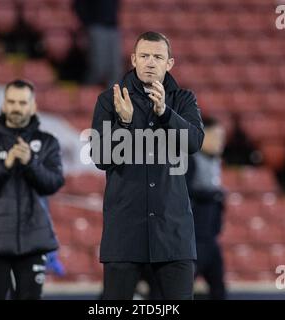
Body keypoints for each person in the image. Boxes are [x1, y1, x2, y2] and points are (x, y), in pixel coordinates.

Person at [90, 31, 205, 300]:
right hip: (124, 235)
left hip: (173, 235)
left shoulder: (183, 100)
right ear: (133, 60)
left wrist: (165, 113)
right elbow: (101, 158)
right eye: (144, 56)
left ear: (169, 63)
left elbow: (194, 142)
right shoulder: (109, 101)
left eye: (157, 57)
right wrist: (125, 124)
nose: (150, 62)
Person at [0, 79, 65, 300]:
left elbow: (53, 183)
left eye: (22, 102)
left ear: (33, 106)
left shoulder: (48, 142)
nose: (16, 107)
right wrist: (5, 165)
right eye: (11, 102)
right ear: (3, 105)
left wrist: (30, 162)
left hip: (34, 244)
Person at [186, 116, 227, 300]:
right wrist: (212, 195)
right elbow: (185, 192)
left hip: (210, 239)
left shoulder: (215, 161)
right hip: (194, 240)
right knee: (182, 288)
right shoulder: (191, 160)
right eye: (216, 136)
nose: (220, 142)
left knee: (219, 289)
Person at [74, 0, 122, 86]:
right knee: (99, 68)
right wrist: (88, 25)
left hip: (113, 27)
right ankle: (87, 93)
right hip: (96, 27)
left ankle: (111, 97)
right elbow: (79, 6)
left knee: (115, 70)